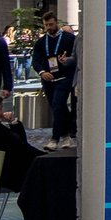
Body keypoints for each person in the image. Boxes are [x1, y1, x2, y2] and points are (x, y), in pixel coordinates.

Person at [34, 13, 76, 144]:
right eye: (46, 25)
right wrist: (41, 72)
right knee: (57, 107)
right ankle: (67, 134)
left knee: (58, 104)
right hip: (48, 79)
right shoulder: (41, 42)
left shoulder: (69, 38)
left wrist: (67, 60)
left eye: (51, 24)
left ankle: (55, 138)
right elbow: (36, 60)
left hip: (65, 78)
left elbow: (76, 58)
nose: (48, 27)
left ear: (56, 22)